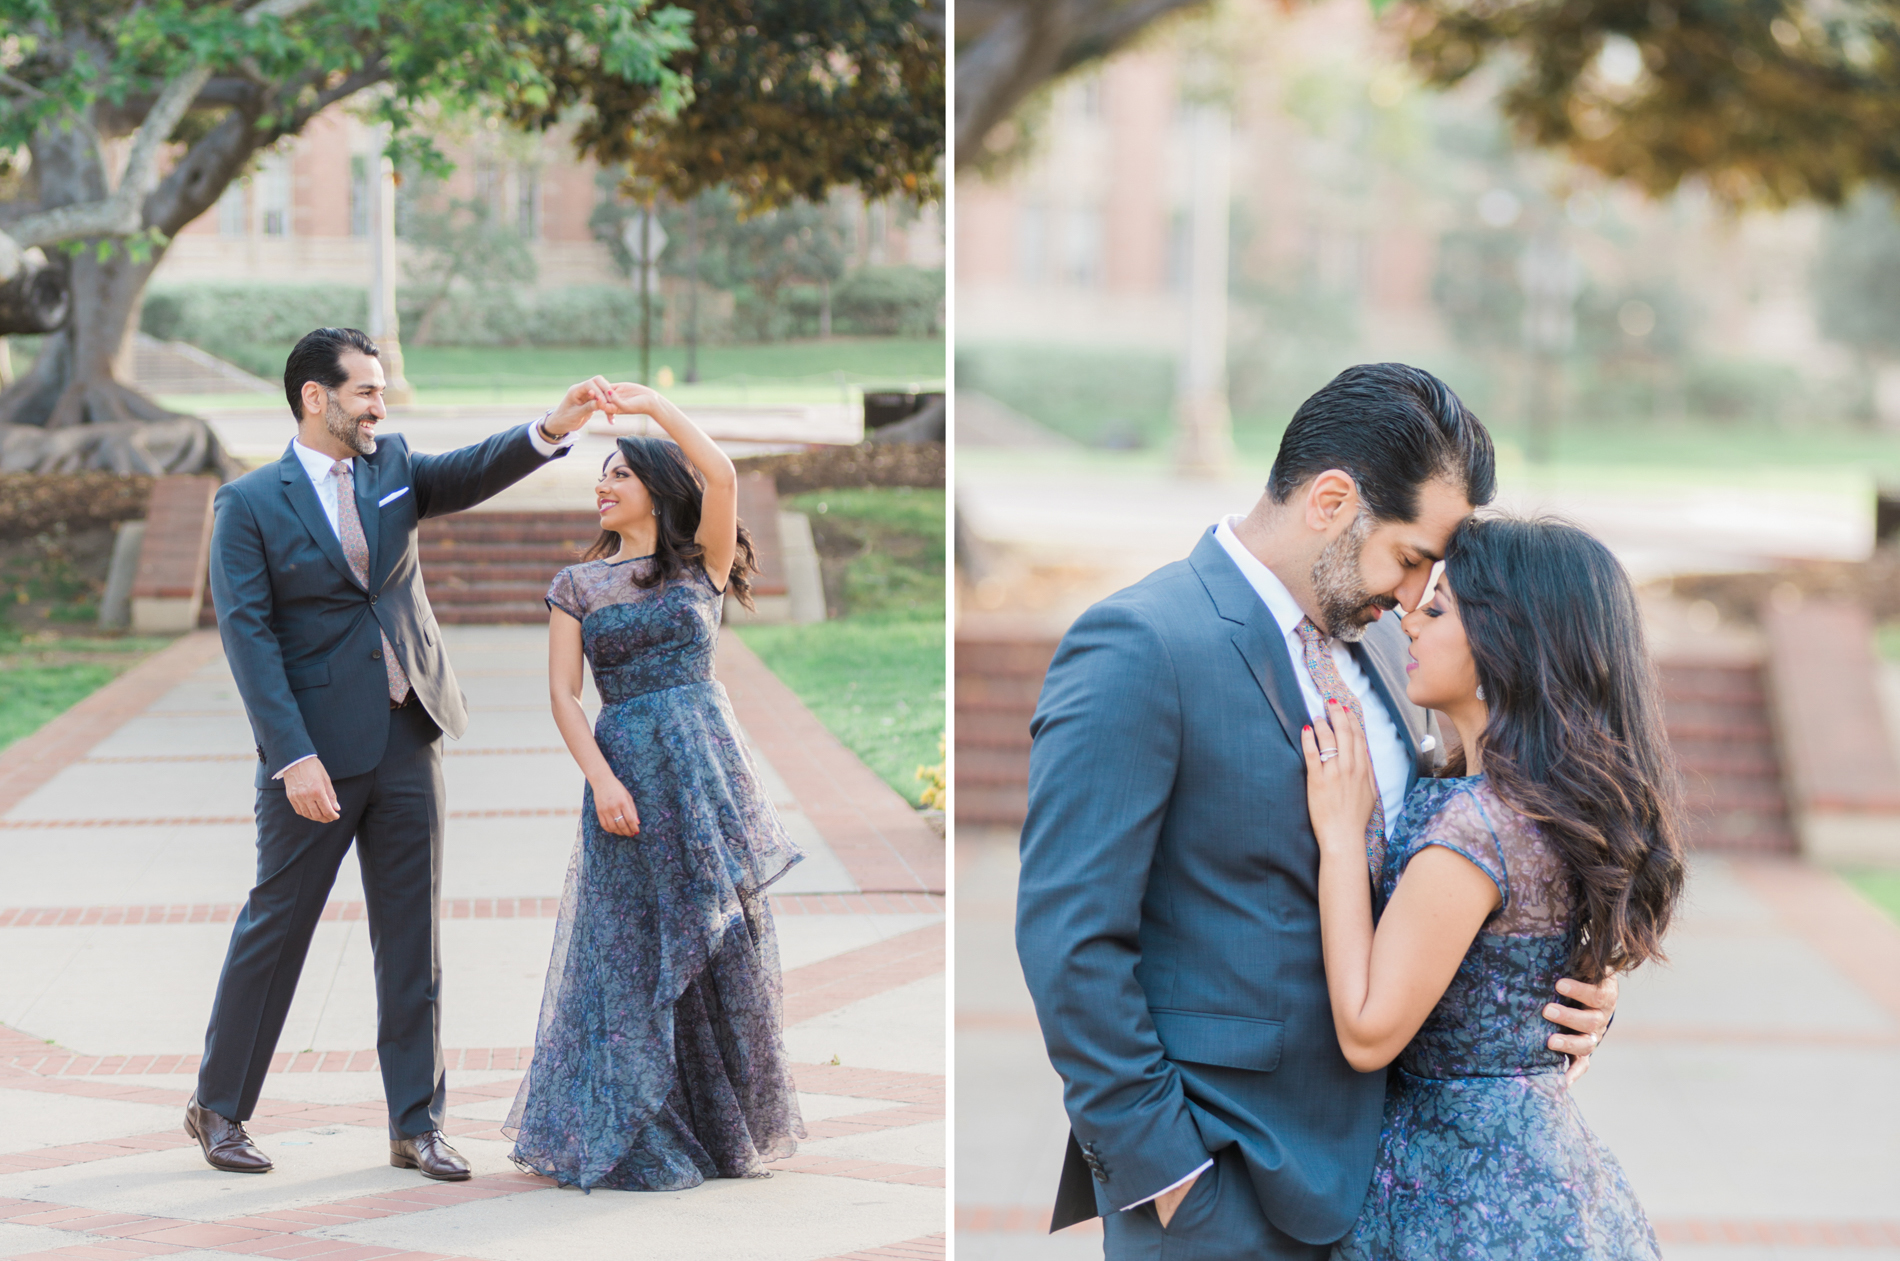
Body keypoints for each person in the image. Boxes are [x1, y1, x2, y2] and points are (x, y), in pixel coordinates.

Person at [1015, 363, 1620, 1259]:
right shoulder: (1142, 644)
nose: (1416, 596)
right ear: (1332, 500)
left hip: (1402, 1194)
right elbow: (1071, 939)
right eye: (1411, 558)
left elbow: (1458, 873)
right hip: (1227, 1191)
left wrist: (1550, 994)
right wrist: (1171, 1179)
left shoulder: (1385, 643)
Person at [192, 327, 608, 1179]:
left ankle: (416, 1123)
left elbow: (473, 469)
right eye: (366, 392)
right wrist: (291, 756)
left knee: (411, 939)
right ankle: (219, 1107)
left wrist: (552, 426)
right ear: (316, 397)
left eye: (381, 392)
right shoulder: (249, 502)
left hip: (409, 732)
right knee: (276, 929)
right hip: (313, 756)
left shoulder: (394, 469)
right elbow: (249, 639)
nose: (381, 405)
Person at [1305, 514, 1683, 1260]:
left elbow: (1367, 1029)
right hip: (1543, 1182)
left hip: (1467, 1201)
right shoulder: (1537, 799)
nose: (1410, 619)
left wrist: (1343, 838)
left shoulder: (1479, 827)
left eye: (1439, 610)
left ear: (1504, 649)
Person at [504, 381, 805, 1192]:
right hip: (627, 776)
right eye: (600, 477)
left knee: (719, 947)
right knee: (627, 949)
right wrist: (602, 779)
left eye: (620, 475)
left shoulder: (698, 565)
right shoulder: (577, 584)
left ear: (657, 491)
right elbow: (565, 697)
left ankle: (719, 1124)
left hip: (706, 775)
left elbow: (723, 476)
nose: (602, 487)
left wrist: (653, 411)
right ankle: (636, 1124)